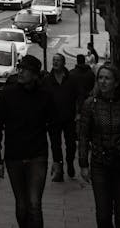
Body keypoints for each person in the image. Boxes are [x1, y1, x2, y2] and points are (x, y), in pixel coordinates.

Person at [0, 54, 55, 228]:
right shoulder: (8, 94)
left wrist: (58, 160)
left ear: (35, 75)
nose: (20, 72)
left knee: (34, 205)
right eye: (20, 68)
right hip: (14, 157)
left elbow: (54, 129)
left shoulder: (45, 96)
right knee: (22, 206)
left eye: (25, 70)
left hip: (37, 156)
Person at [78, 63, 120, 228]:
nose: (103, 82)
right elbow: (83, 136)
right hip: (100, 164)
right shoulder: (90, 104)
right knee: (103, 215)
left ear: (116, 82)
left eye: (107, 78)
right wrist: (83, 164)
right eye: (100, 78)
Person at [44, 52, 78, 181]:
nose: (55, 62)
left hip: (69, 118)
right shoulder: (47, 79)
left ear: (63, 63)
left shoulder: (71, 78)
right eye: (54, 60)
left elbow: (79, 96)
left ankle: (69, 162)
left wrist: (78, 113)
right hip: (53, 119)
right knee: (55, 145)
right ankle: (59, 170)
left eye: (58, 60)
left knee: (70, 144)